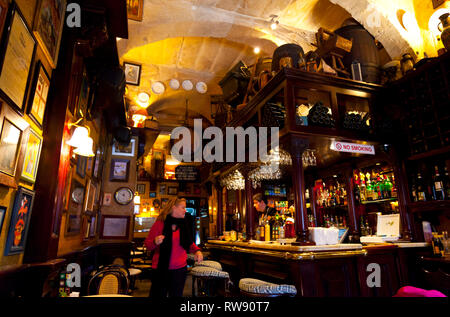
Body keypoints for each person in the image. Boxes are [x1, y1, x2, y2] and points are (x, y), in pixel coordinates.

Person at [144, 197, 203, 297]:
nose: (185, 210)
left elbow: (189, 242)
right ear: (173, 208)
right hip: (160, 269)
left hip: (179, 269)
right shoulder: (159, 224)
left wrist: (197, 251)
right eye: (183, 207)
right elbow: (148, 245)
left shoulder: (183, 224)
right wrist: (155, 241)